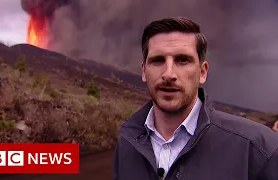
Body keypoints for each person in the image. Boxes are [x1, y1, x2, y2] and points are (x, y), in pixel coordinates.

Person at [113, 17, 278, 180]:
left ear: (203, 72)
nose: (168, 74)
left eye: (183, 60)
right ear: (143, 71)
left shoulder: (258, 149)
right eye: (157, 60)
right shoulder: (127, 142)